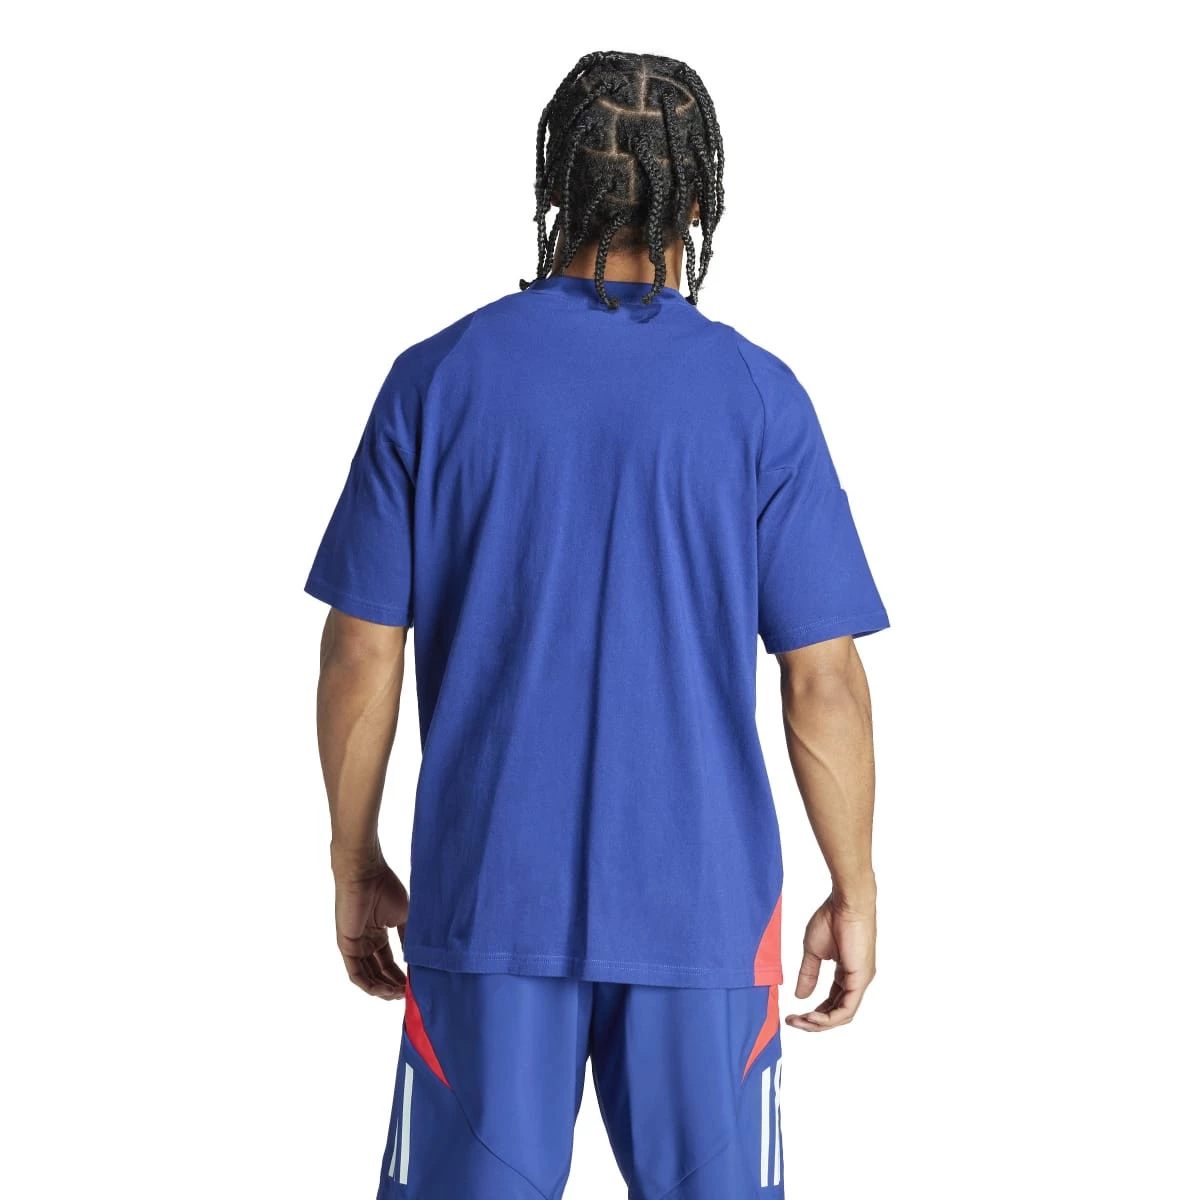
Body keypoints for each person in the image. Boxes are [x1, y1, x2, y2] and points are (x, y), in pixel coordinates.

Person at [304, 49, 890, 1200]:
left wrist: (354, 861)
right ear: (700, 202)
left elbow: (362, 648)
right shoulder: (758, 398)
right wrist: (855, 888)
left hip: (487, 903)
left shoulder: (437, 380)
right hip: (704, 919)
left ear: (554, 187)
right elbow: (822, 678)